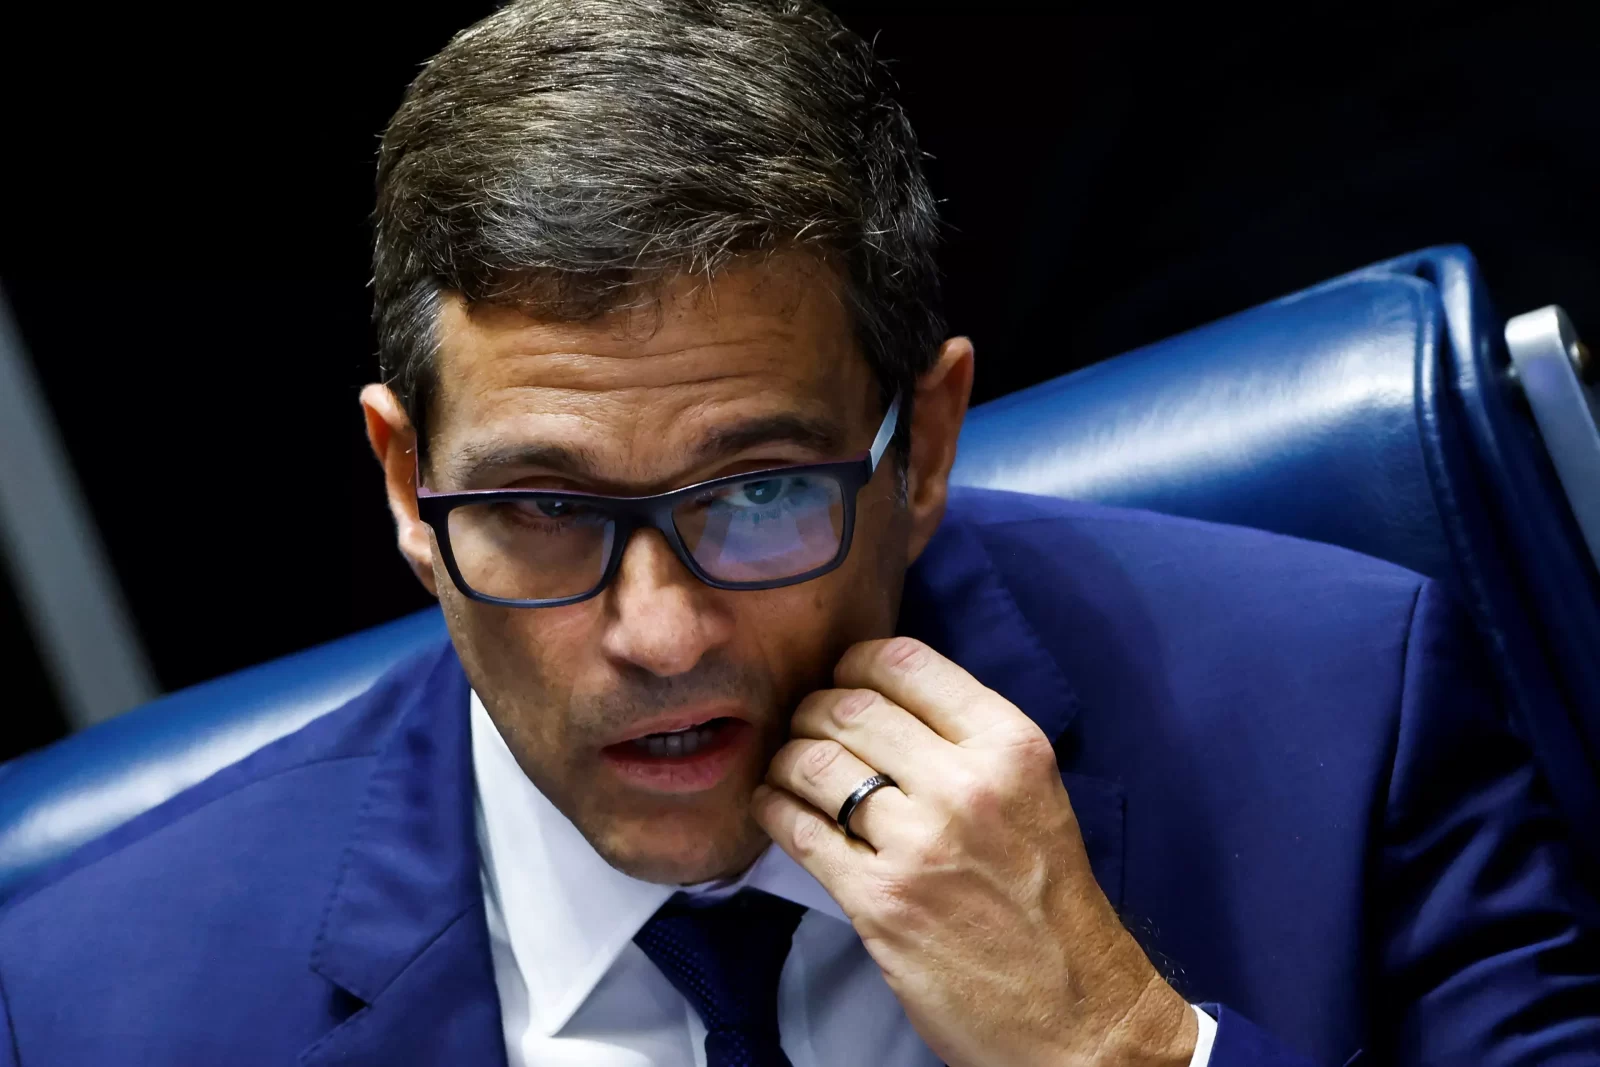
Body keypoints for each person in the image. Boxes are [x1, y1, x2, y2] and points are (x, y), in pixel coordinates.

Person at [2, 2, 1598, 1064]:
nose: (659, 633)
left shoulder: (1348, 712)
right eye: (544, 507)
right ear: (410, 486)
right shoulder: (89, 1007)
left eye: (758, 490)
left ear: (925, 446)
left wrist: (1115, 1045)